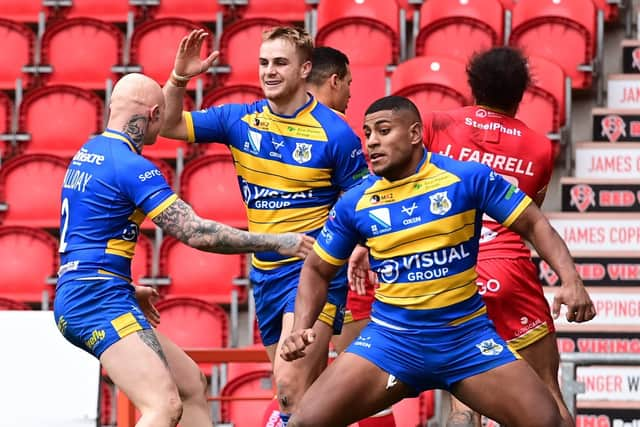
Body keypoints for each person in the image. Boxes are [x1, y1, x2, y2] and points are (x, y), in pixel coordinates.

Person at [281, 95, 596, 427]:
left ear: (416, 133)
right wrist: (301, 327)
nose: (372, 141)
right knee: (303, 423)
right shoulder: (356, 203)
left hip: (466, 340)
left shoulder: (467, 177)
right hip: (391, 343)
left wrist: (571, 280)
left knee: (549, 421)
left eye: (384, 130)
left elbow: (533, 222)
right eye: (368, 133)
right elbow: (317, 268)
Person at [53, 72, 314, 427]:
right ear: (155, 116)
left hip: (90, 290)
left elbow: (90, 233)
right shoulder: (133, 167)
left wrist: (126, 288)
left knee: (190, 383)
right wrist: (278, 241)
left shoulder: (88, 153)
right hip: (96, 300)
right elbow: (197, 233)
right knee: (163, 405)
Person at [160, 28, 370, 425]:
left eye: (280, 63)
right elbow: (169, 126)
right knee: (303, 396)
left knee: (289, 386)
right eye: (264, 63)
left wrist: (355, 246)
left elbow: (362, 199)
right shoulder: (240, 118)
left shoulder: (336, 132)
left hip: (313, 271)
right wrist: (180, 79)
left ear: (305, 69)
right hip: (266, 274)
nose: (269, 71)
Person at [415, 46, 573, 427]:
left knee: (464, 406)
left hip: (449, 271)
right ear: (521, 95)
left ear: (473, 87)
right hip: (509, 270)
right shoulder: (539, 147)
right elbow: (529, 217)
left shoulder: (437, 125)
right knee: (548, 395)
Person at [306, 45, 396, 427]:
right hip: (335, 268)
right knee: (360, 384)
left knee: (302, 385)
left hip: (289, 270)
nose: (351, 94)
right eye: (348, 84)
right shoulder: (339, 134)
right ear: (333, 80)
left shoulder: (278, 125)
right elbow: (365, 202)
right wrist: (363, 243)